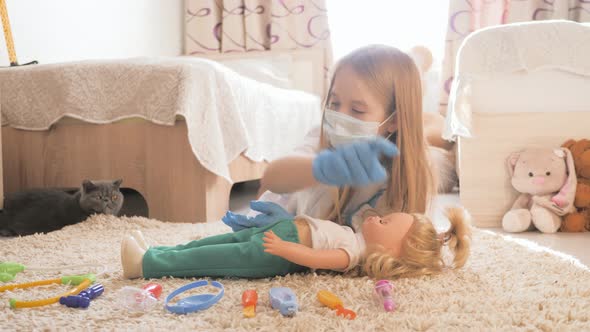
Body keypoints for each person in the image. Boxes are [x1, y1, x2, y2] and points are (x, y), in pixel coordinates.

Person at [223, 44, 438, 231]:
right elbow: (272, 177)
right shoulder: (322, 136)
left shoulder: (411, 171)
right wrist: (322, 168)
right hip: (283, 216)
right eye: (334, 104)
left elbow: (401, 241)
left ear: (394, 120)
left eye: (357, 109)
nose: (339, 117)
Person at [120, 207, 471, 280]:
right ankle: (157, 252)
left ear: (391, 252)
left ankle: (145, 265)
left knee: (217, 256)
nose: (380, 217)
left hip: (272, 254)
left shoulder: (353, 253)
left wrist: (287, 250)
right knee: (214, 241)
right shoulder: (359, 234)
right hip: (279, 233)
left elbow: (320, 258)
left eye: (387, 222)